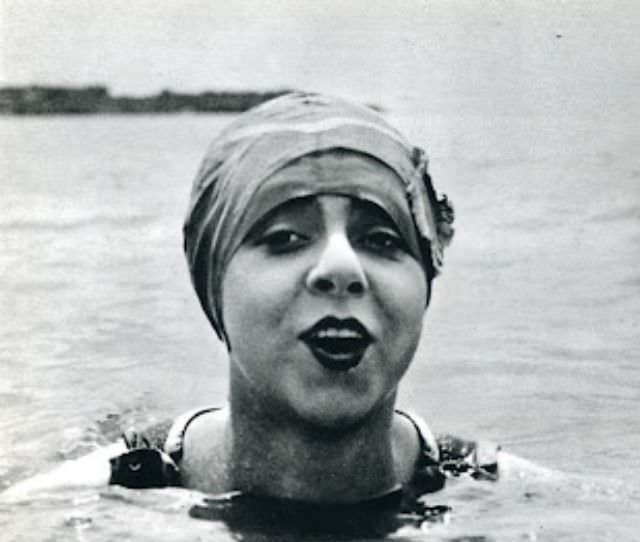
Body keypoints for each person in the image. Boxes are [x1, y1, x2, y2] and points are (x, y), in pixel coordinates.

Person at [6, 92, 504, 508]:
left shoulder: (498, 494)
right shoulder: (74, 507)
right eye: (285, 238)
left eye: (381, 239)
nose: (342, 269)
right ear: (214, 284)